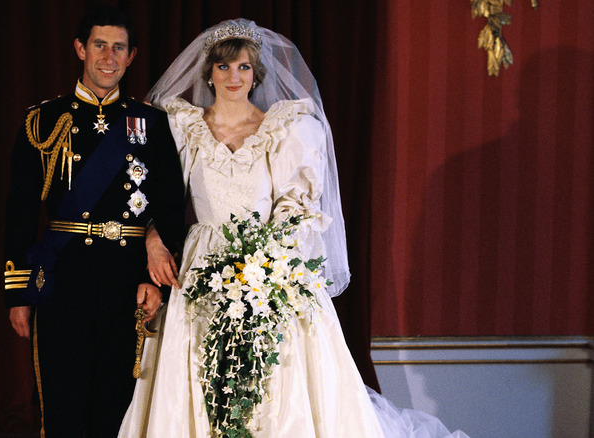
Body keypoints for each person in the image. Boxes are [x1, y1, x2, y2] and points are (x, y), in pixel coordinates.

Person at [119, 19, 469, 437]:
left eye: (244, 67)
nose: (234, 77)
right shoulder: (181, 128)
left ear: (256, 74)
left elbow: (295, 205)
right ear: (209, 72)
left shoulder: (287, 129)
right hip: (199, 263)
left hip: (270, 260)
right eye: (225, 67)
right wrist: (154, 239)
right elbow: (156, 196)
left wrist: (266, 265)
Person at [3, 6, 185, 437]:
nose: (108, 57)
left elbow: (172, 205)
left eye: (118, 48)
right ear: (80, 49)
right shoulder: (43, 120)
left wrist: (153, 279)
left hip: (127, 282)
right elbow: (20, 210)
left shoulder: (152, 124)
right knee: (63, 402)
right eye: (99, 45)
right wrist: (18, 291)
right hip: (62, 279)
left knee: (117, 404)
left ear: (131, 56)